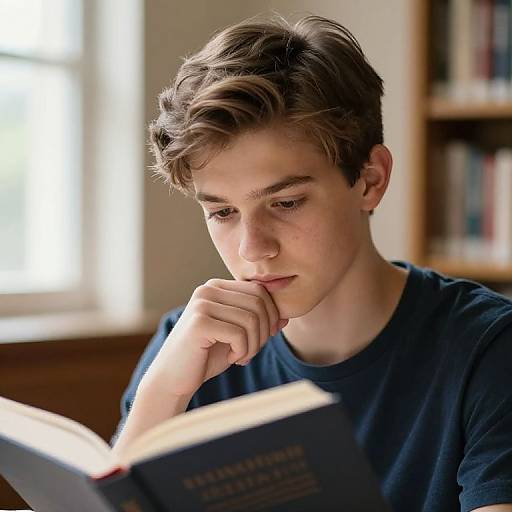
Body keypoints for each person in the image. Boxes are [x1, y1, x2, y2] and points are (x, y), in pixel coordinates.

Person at [112, 14, 512, 512]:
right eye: (222, 212)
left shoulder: (489, 352)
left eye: (286, 203)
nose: (252, 248)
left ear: (370, 180)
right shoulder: (187, 346)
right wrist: (163, 396)